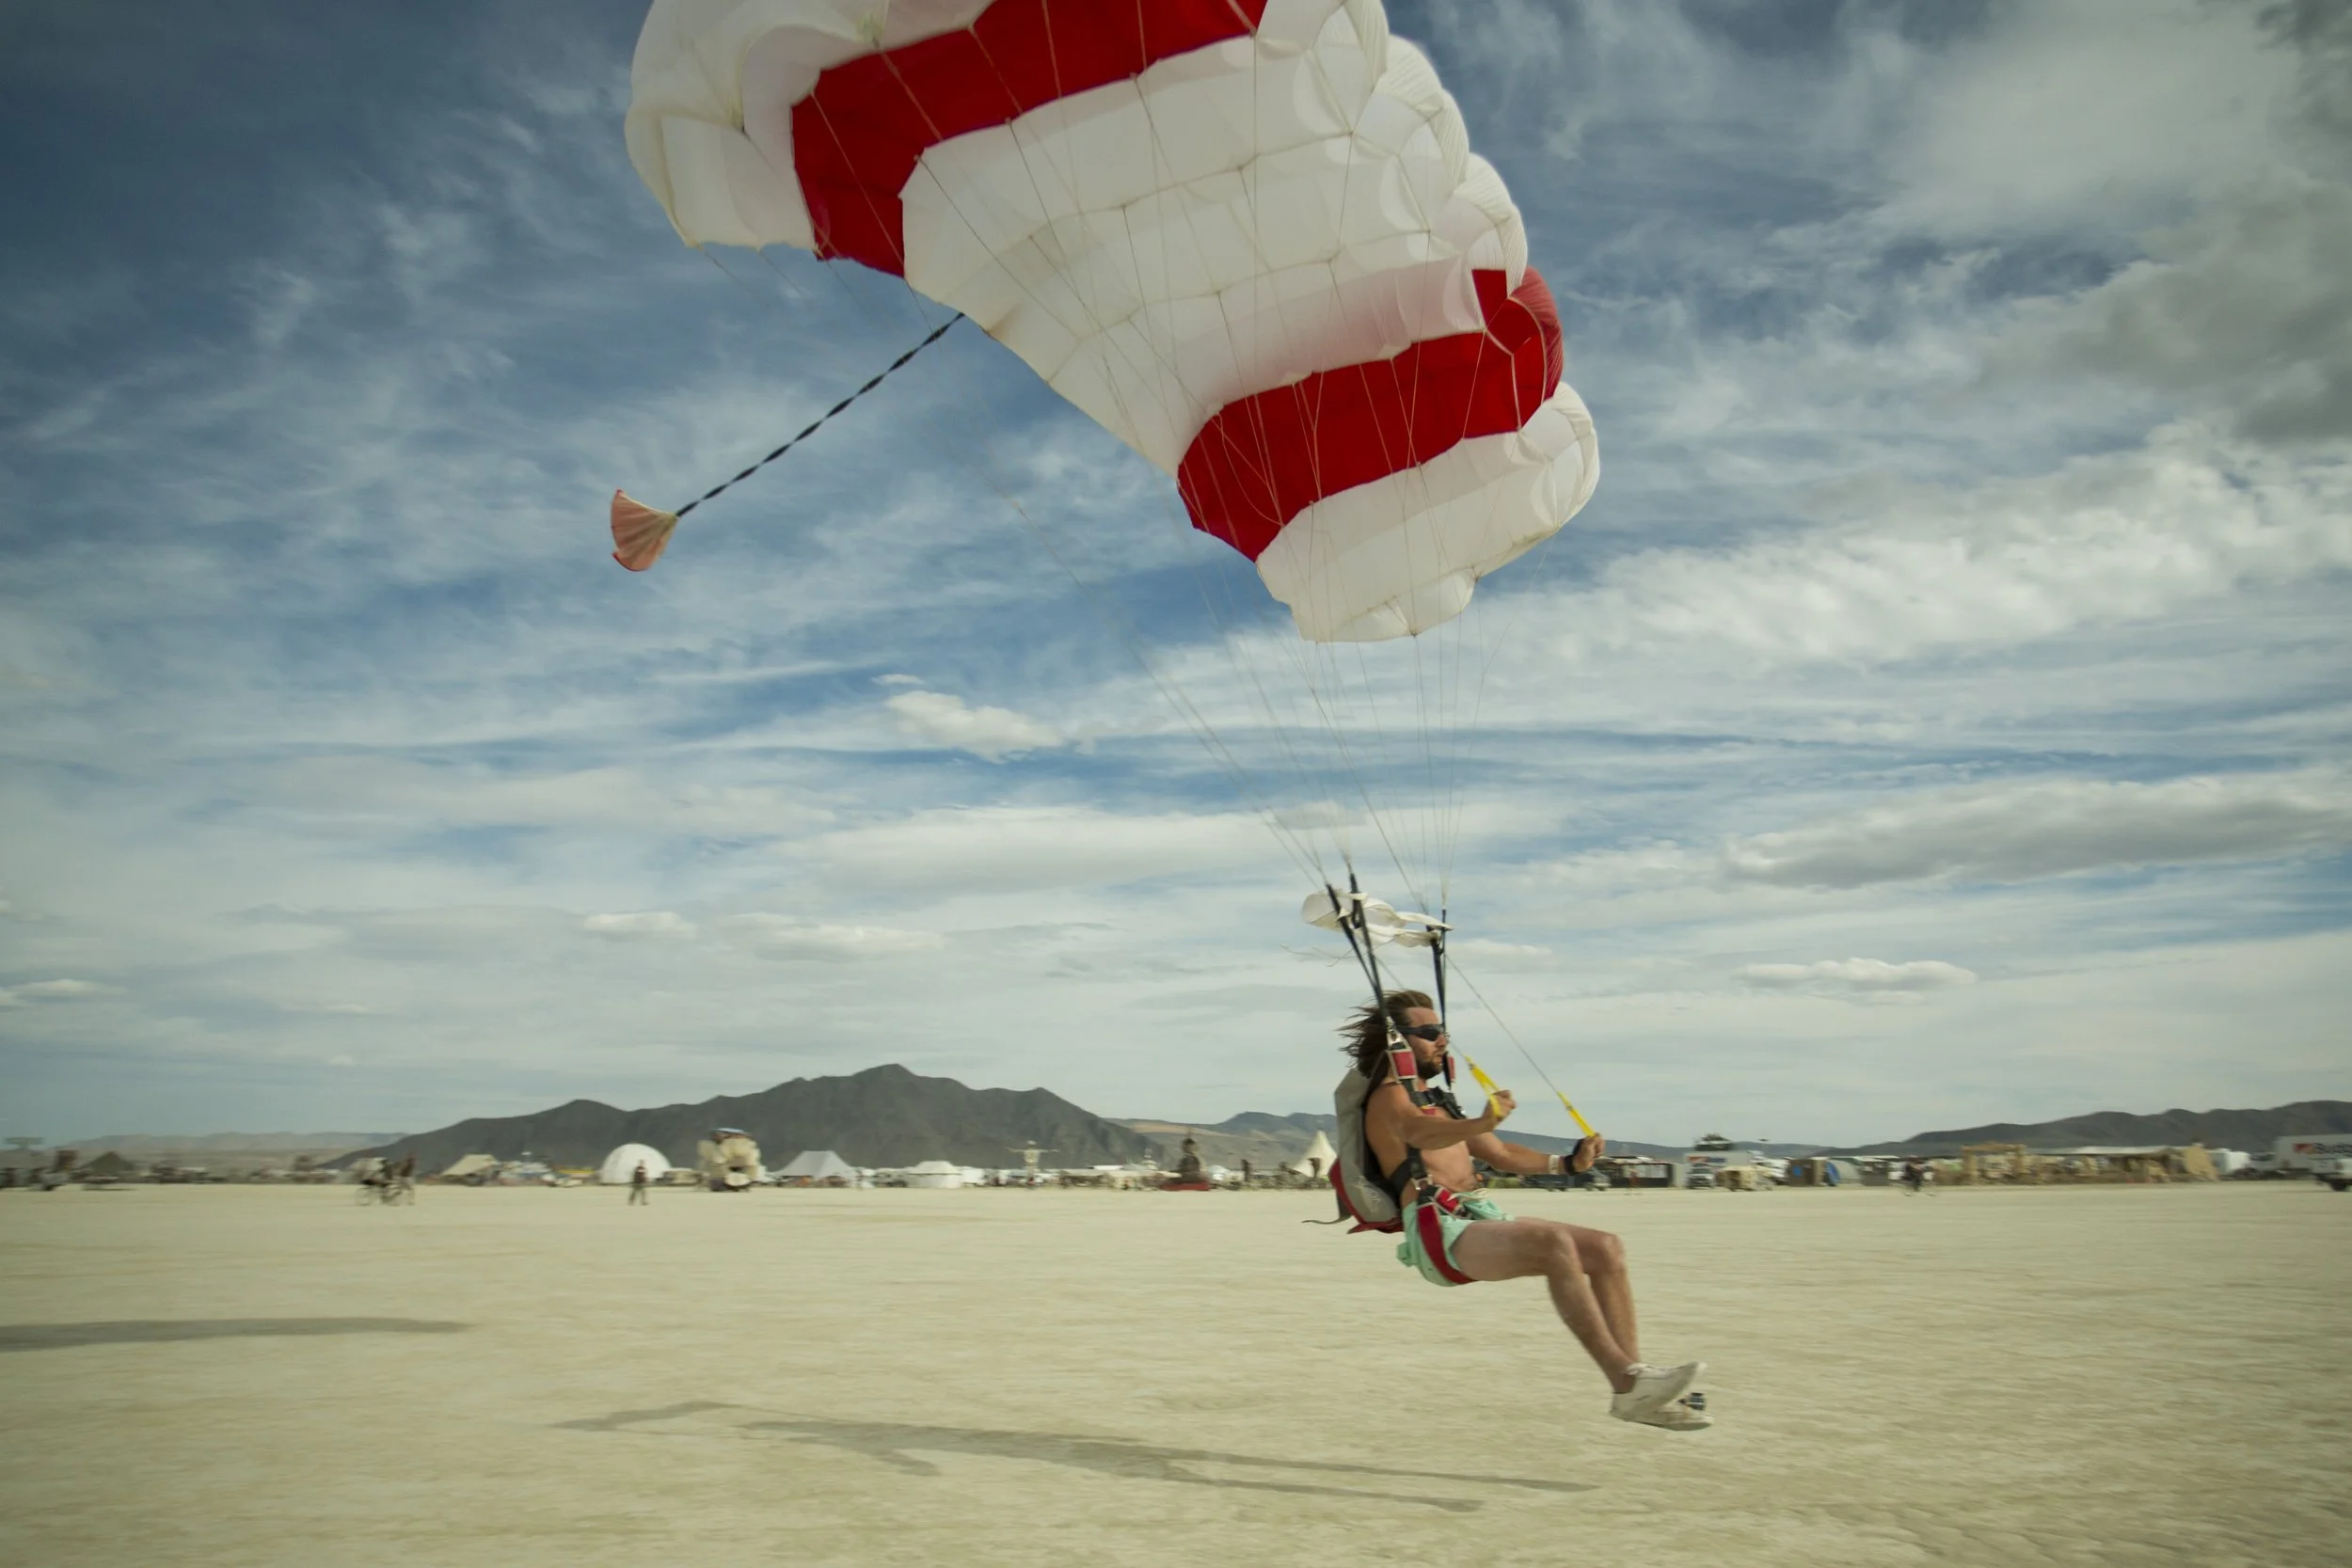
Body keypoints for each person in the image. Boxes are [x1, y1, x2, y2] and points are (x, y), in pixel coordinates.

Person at [1350, 990, 1708, 1431]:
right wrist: (1482, 1121)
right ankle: (1623, 1380)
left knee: (1605, 1248)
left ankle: (1637, 1384)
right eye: (1428, 1032)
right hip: (1437, 1232)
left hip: (1479, 1217)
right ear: (1397, 1043)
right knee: (1552, 1244)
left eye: (1443, 1031)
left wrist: (1567, 1163)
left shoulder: (1438, 1100)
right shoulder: (1388, 1099)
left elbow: (1499, 1153)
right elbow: (1417, 1133)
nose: (1442, 1040)